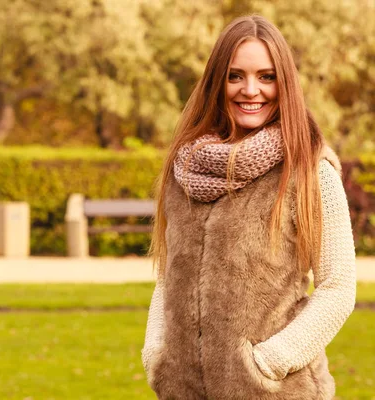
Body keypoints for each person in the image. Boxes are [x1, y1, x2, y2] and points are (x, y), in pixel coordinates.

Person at [141, 15, 356, 400]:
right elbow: (168, 277)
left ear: (283, 83)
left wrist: (269, 363)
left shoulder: (309, 170)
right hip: (183, 391)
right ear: (216, 82)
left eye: (266, 76)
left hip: (273, 392)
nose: (250, 89)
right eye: (235, 75)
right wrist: (157, 354)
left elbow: (337, 288)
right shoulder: (185, 166)